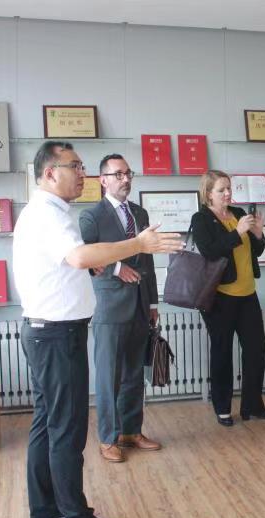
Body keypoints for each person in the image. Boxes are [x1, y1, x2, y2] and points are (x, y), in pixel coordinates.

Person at [13, 141, 183, 518]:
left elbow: (72, 263)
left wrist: (97, 265)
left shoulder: (52, 211)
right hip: (55, 335)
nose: (82, 173)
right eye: (75, 166)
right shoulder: (48, 213)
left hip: (48, 331)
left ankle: (44, 508)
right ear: (50, 172)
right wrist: (137, 244)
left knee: (48, 422)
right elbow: (79, 256)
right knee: (67, 429)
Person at [79, 154, 161, 463]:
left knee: (134, 373)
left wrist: (152, 302)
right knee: (108, 376)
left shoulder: (140, 212)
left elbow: (147, 260)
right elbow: (86, 256)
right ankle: (108, 438)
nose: (125, 179)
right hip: (110, 306)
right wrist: (116, 267)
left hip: (140, 303)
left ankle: (131, 431)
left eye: (128, 173)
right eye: (118, 174)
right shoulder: (91, 216)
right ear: (103, 180)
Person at [191, 170, 265, 426]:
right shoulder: (201, 218)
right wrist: (237, 233)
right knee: (222, 352)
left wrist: (258, 234)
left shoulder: (238, 213)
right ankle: (223, 408)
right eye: (221, 190)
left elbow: (255, 251)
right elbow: (210, 251)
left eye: (229, 188)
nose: (228, 193)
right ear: (208, 194)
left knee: (256, 348)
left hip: (247, 293)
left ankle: (253, 405)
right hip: (220, 297)